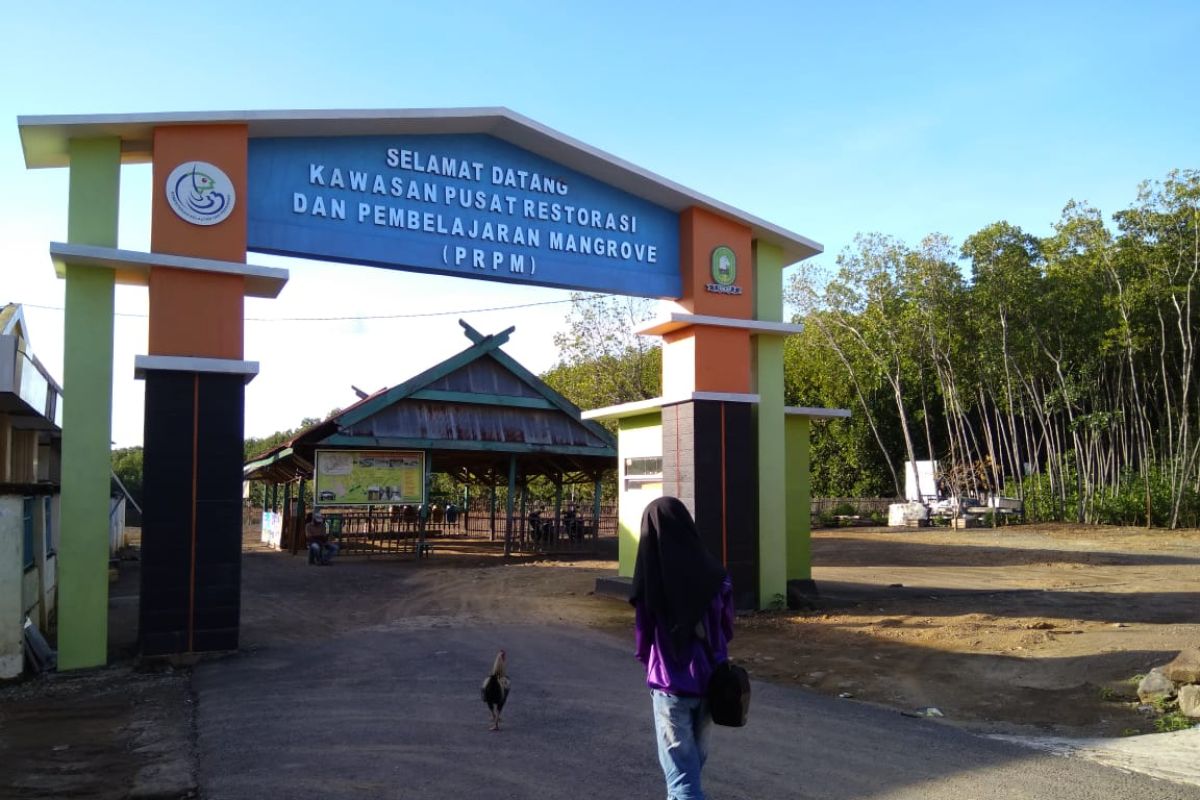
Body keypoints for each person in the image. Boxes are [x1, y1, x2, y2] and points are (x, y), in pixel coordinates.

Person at [631, 496, 734, 800]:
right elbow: (727, 629)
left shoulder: (653, 583)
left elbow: (643, 637)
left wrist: (650, 661)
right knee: (690, 771)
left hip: (670, 685)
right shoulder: (718, 577)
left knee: (682, 781)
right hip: (712, 684)